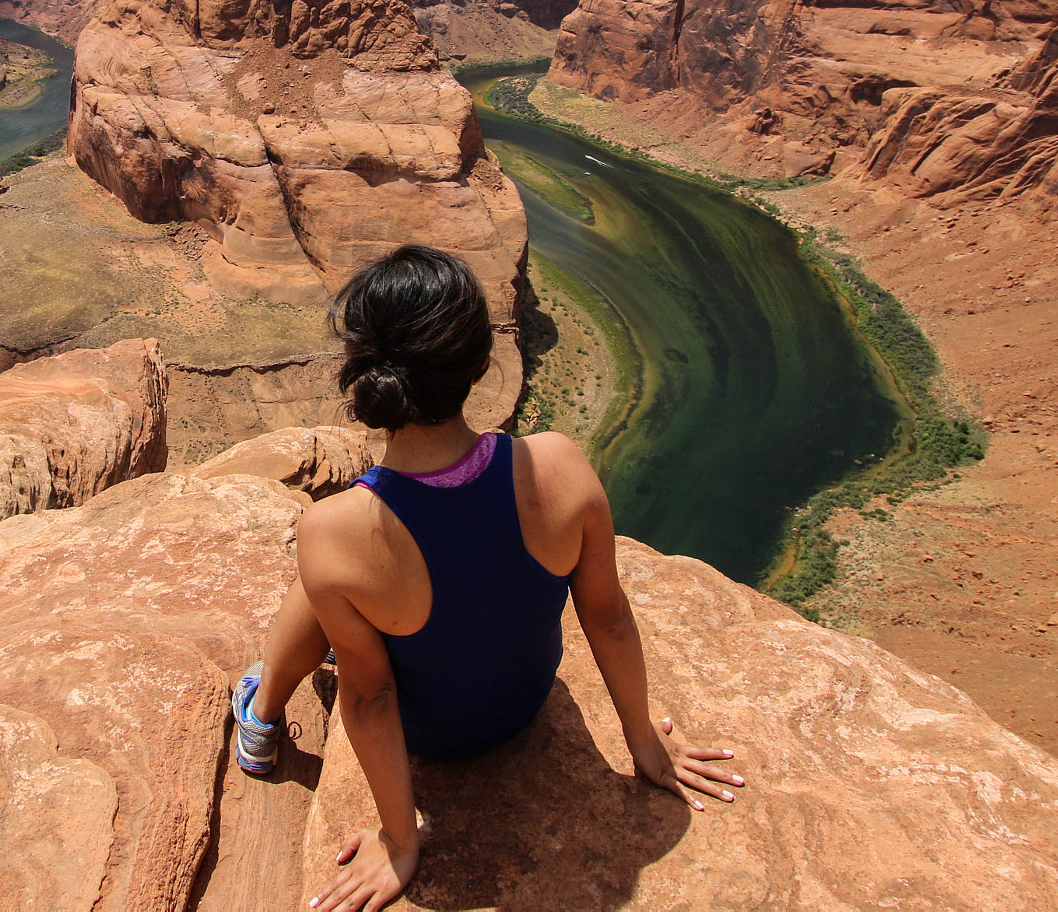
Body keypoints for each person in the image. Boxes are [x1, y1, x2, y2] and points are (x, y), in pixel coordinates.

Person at [230, 245, 743, 912]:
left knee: (321, 578)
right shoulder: (561, 467)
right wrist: (642, 742)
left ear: (363, 372)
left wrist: (401, 839)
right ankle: (272, 704)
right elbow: (609, 618)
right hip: (522, 708)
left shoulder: (337, 530)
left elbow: (372, 697)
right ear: (479, 366)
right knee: (342, 572)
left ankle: (262, 719)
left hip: (432, 741)